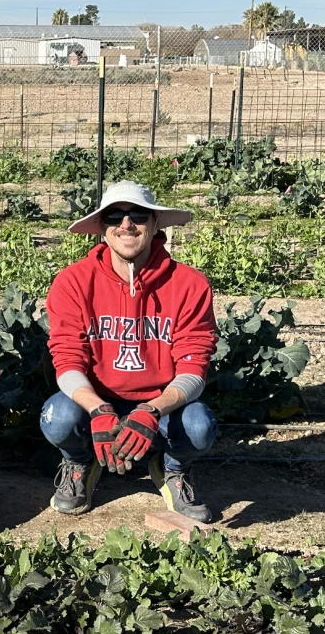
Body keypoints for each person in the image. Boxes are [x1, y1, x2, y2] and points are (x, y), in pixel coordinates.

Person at [41, 180, 218, 523]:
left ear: (154, 225)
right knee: (58, 417)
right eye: (114, 217)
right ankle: (80, 464)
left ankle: (172, 469)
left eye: (138, 215)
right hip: (96, 401)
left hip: (161, 405)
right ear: (102, 229)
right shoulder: (73, 282)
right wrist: (97, 410)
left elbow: (194, 369)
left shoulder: (189, 285)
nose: (126, 224)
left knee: (199, 426)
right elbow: (66, 360)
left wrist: (152, 410)